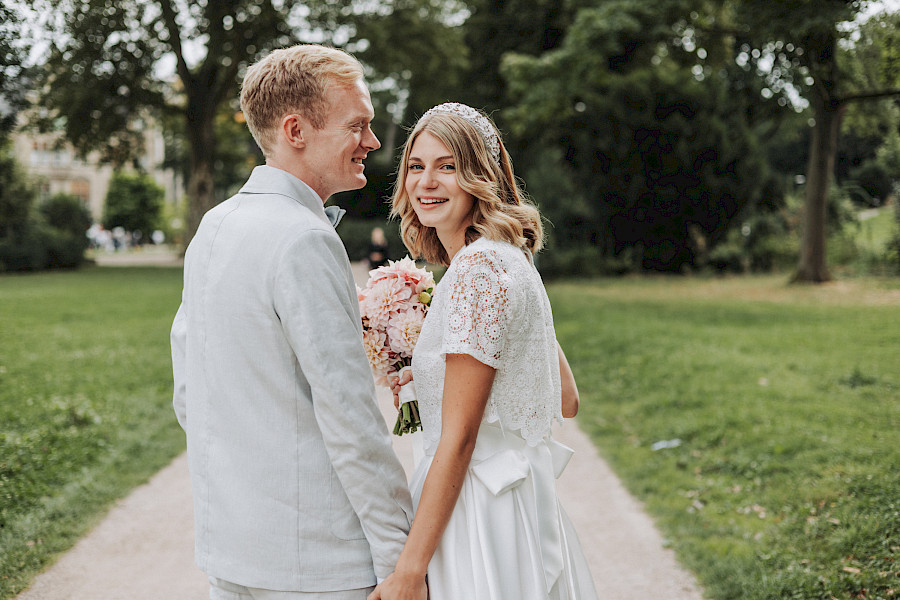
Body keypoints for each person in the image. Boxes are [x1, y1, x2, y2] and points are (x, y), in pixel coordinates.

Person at [170, 44, 415, 600]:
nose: (373, 142)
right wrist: (398, 558)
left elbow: (189, 392)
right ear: (296, 130)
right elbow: (350, 418)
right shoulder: (304, 238)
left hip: (231, 551)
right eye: (358, 125)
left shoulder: (214, 226)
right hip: (318, 562)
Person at [368, 103, 599, 600]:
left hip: (475, 515)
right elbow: (566, 396)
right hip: (517, 507)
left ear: (480, 176)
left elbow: (460, 438)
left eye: (447, 166)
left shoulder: (476, 272)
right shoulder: (510, 260)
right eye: (416, 166)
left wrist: (409, 572)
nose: (426, 182)